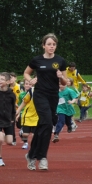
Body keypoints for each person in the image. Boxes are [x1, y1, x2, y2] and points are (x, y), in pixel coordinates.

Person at [22, 33, 68, 171]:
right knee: (47, 123)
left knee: (44, 126)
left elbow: (65, 82)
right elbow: (26, 72)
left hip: (53, 95)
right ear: (43, 45)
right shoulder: (37, 60)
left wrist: (61, 77)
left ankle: (31, 155)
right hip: (40, 95)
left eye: (53, 44)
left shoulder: (60, 61)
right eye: (49, 44)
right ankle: (42, 158)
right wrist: (30, 80)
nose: (51, 47)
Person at [16, 80, 38, 150]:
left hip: (37, 116)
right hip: (27, 115)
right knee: (25, 134)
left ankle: (34, 148)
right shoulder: (31, 91)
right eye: (26, 84)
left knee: (35, 135)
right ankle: (25, 140)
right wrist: (18, 112)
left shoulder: (45, 91)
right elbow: (23, 103)